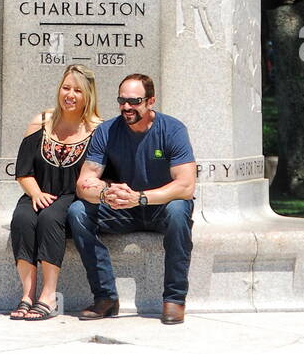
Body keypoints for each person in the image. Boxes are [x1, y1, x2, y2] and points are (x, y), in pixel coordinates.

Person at [68, 73, 196, 325]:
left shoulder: (173, 130)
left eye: (134, 101)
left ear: (151, 101)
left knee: (180, 210)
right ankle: (105, 297)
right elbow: (84, 183)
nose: (127, 107)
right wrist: (106, 193)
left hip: (158, 205)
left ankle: (174, 299)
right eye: (122, 101)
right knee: (77, 212)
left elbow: (186, 186)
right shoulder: (106, 131)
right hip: (123, 207)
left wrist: (141, 198)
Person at [10, 65, 102, 321]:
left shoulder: (97, 130)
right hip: (37, 191)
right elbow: (23, 171)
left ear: (88, 95)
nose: (69, 94)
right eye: (66, 88)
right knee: (23, 219)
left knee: (51, 218)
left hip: (72, 197)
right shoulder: (41, 121)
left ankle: (48, 296)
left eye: (77, 90)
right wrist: (36, 194)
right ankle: (27, 295)